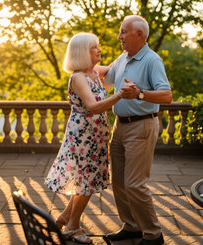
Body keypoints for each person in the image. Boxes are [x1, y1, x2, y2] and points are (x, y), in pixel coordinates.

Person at [44, 32, 136, 244]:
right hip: (83, 138)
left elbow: (114, 67)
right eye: (94, 47)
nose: (99, 50)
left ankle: (65, 217)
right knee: (86, 182)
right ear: (83, 53)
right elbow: (93, 107)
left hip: (95, 136)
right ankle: (73, 226)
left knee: (85, 181)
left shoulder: (94, 72)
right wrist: (120, 94)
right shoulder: (78, 77)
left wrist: (128, 51)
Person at [98, 15, 173, 245]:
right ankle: (131, 227)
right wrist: (83, 61)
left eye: (123, 32)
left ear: (139, 34)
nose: (120, 36)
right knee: (119, 182)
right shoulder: (123, 58)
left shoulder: (152, 60)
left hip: (142, 126)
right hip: (120, 127)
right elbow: (106, 77)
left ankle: (153, 234)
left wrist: (140, 93)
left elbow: (167, 95)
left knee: (134, 184)